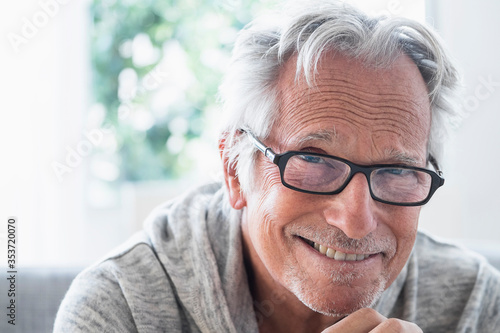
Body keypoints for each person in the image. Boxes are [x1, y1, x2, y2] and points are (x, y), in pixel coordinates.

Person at [54, 1, 500, 332]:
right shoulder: (120, 309)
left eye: (397, 171)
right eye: (314, 160)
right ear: (235, 169)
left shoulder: (474, 305)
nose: (357, 223)